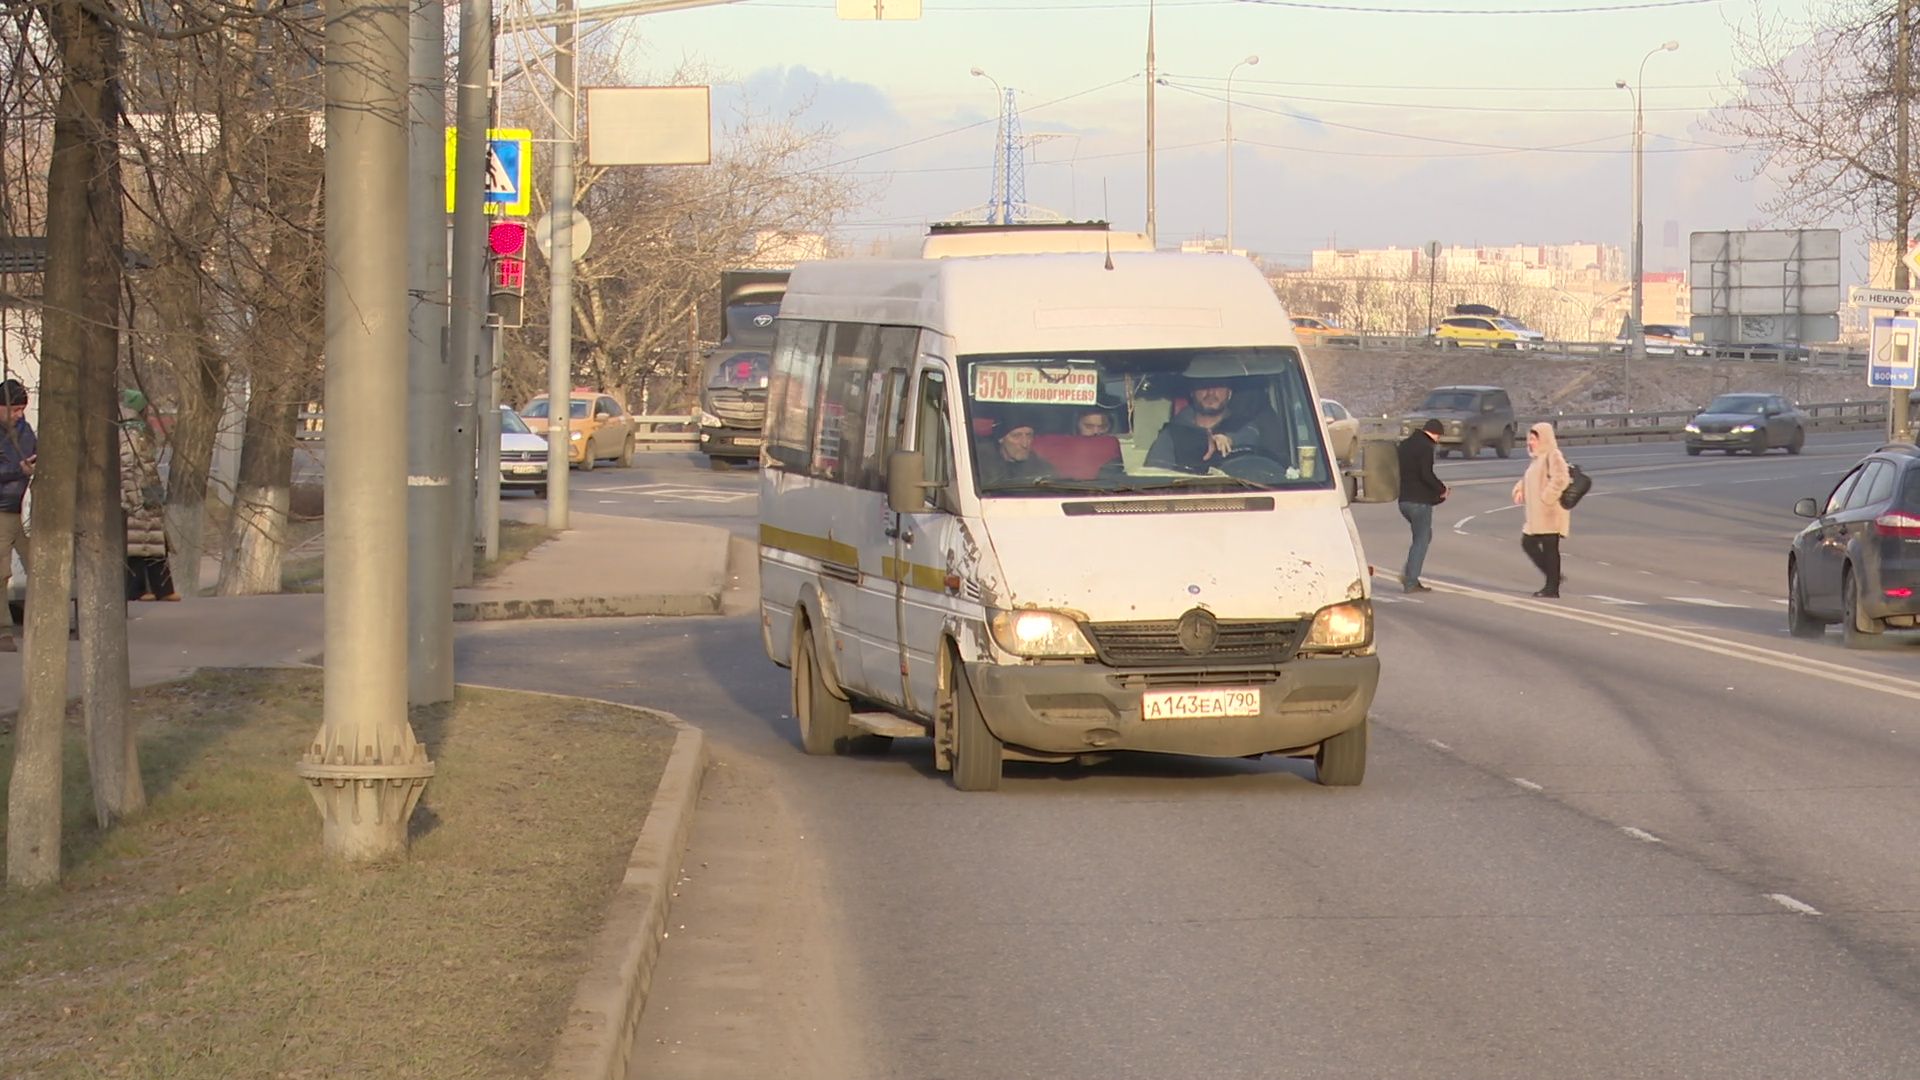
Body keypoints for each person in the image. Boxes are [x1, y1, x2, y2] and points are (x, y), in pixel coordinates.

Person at [119, 389, 178, 601]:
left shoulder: (138, 432)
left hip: (148, 492)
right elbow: (126, 468)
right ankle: (137, 589)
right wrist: (134, 500)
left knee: (154, 540)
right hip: (138, 495)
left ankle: (162, 588)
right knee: (138, 544)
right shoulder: (130, 434)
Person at [1145, 378, 1266, 471]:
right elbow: (1154, 476)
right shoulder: (1171, 434)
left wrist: (1229, 440)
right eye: (1203, 386)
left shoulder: (1245, 427)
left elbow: (1251, 437)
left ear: (1229, 393)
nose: (1211, 393)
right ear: (1192, 392)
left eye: (1218, 386)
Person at [1511, 421, 1572, 598]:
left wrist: (1547, 498)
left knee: (1549, 549)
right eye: (1529, 439)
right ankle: (1554, 578)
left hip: (1550, 512)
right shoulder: (1537, 459)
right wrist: (1519, 489)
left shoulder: (1553, 455)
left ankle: (1552, 587)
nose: (1530, 442)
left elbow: (1561, 478)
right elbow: (1528, 480)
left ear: (1544, 439)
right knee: (1528, 543)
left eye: (1534, 439)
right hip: (1537, 515)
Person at [0, 378, 34, 651]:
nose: (18, 414)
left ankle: (40, 623)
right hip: (1, 510)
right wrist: (18, 471)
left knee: (37, 565)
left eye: (21, 409)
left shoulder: (25, 430)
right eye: (13, 409)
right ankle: (4, 632)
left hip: (18, 508)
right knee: (1, 574)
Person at [1396, 418, 1447, 593]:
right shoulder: (1426, 447)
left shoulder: (1405, 445)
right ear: (1436, 434)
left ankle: (1409, 571)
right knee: (1422, 540)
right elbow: (1426, 474)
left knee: (1424, 535)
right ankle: (1410, 580)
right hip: (1419, 502)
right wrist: (1442, 488)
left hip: (1404, 501)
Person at [975, 410, 1052, 487]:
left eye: (1029, 435)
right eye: (1016, 436)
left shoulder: (1041, 469)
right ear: (1001, 438)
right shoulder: (978, 465)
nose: (1025, 444)